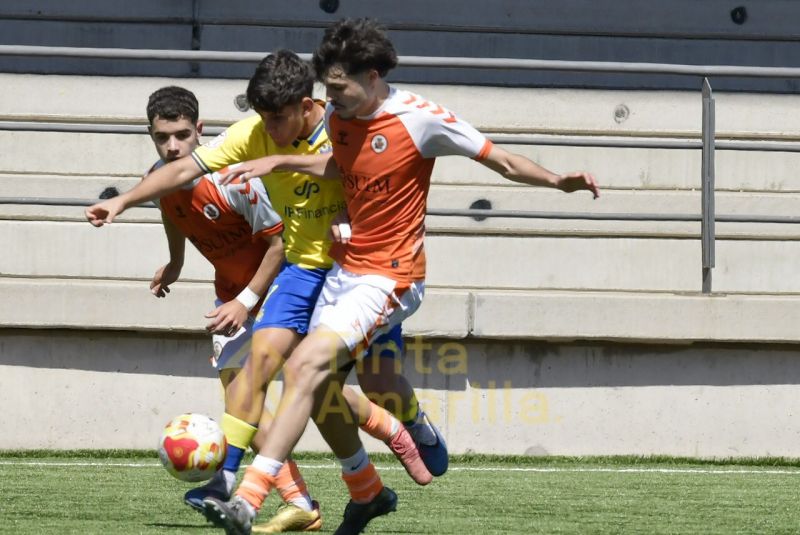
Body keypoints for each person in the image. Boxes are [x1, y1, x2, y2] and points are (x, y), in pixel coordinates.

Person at [199, 17, 601, 535]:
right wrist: (280, 161)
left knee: (309, 368)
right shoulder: (342, 117)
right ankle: (367, 488)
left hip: (392, 275)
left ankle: (249, 498)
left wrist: (556, 180)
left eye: (339, 89)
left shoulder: (420, 117)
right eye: (328, 91)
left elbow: (498, 158)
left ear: (371, 76)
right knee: (325, 390)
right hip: (346, 270)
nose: (331, 101)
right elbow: (341, 168)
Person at [85, 52, 437, 533]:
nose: (267, 129)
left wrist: (347, 219)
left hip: (355, 274)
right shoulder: (241, 142)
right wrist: (127, 205)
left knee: (364, 387)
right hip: (295, 274)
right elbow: (176, 197)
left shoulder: (335, 129)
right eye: (161, 137)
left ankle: (403, 427)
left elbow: (365, 177)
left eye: (182, 137)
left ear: (306, 106)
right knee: (269, 375)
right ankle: (239, 482)